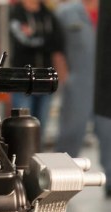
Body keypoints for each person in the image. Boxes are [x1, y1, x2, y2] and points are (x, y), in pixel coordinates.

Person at [54, 0, 111, 195]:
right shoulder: (66, 13)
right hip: (78, 83)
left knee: (108, 133)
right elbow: (57, 49)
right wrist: (66, 77)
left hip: (106, 84)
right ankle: (61, 179)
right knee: (71, 131)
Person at [8, 0, 64, 128]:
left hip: (44, 78)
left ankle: (38, 148)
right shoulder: (17, 14)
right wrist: (45, 39)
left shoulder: (48, 15)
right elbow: (23, 41)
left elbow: (57, 42)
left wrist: (35, 35)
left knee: (41, 124)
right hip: (22, 78)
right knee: (22, 124)